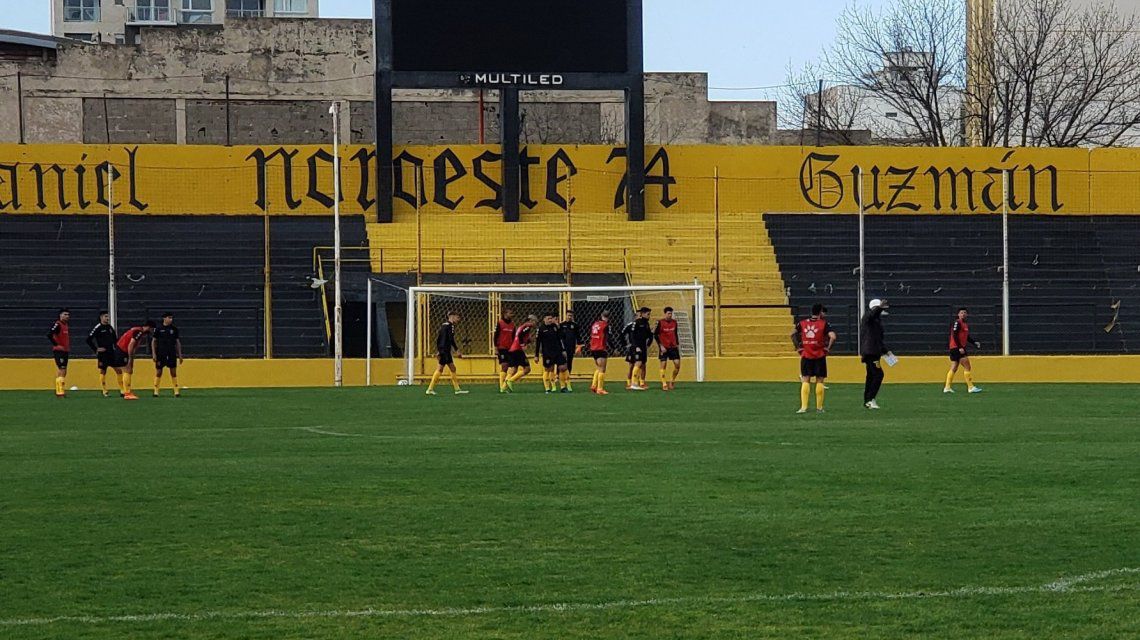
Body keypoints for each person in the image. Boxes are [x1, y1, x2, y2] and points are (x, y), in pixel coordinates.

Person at [792, 303, 836, 414]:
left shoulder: (802, 323)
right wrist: (827, 348)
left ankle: (803, 407)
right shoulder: (824, 324)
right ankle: (819, 408)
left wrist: (798, 347)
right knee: (820, 380)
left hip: (806, 355)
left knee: (805, 380)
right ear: (820, 312)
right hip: (820, 355)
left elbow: (792, 334)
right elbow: (833, 336)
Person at [426, 311, 467, 396]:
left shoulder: (443, 325)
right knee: (441, 369)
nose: (458, 320)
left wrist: (439, 350)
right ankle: (430, 389)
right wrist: (457, 350)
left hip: (443, 350)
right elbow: (451, 339)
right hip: (445, 351)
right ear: (452, 316)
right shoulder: (450, 326)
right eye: (457, 317)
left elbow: (439, 339)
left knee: (451, 368)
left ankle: (457, 389)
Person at [86, 310, 126, 398]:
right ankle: (104, 391)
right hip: (103, 354)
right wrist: (96, 349)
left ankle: (122, 390)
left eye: (108, 316)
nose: (107, 318)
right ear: (101, 318)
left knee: (118, 370)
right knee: (103, 371)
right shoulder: (98, 328)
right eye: (105, 316)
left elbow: (115, 340)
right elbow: (88, 339)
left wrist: (116, 349)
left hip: (111, 352)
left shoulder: (110, 327)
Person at [860, 299, 890, 409]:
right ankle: (870, 398)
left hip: (873, 351)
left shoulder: (875, 321)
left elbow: (877, 339)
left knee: (871, 376)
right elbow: (872, 315)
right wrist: (879, 308)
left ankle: (867, 400)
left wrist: (885, 351)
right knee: (878, 374)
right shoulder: (869, 318)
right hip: (871, 352)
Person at [945, 307, 983, 394]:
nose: (963, 314)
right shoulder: (957, 323)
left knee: (954, 367)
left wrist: (974, 342)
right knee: (967, 366)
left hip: (956, 347)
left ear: (967, 314)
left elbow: (966, 337)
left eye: (965, 313)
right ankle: (970, 387)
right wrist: (960, 347)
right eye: (961, 313)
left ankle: (947, 387)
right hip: (956, 347)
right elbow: (954, 335)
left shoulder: (965, 324)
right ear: (958, 314)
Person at [116, 320, 156, 401]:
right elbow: (131, 345)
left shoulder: (136, 329)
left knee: (127, 371)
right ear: (148, 327)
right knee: (127, 370)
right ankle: (127, 393)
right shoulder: (139, 332)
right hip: (122, 351)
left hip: (120, 350)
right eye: (151, 329)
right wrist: (130, 358)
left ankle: (126, 391)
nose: (151, 331)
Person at [151, 312, 183, 398]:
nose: (171, 319)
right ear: (164, 318)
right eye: (169, 318)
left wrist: (180, 355)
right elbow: (154, 341)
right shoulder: (158, 329)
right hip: (161, 353)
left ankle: (176, 391)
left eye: (172, 318)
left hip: (171, 353)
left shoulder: (174, 329)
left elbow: (177, 342)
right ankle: (156, 391)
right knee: (159, 371)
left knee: (173, 372)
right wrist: (154, 354)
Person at [536, 314, 570, 394]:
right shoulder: (541, 329)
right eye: (548, 318)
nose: (550, 320)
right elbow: (538, 343)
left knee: (563, 367)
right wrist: (536, 355)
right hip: (547, 353)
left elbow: (560, 338)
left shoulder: (555, 326)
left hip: (558, 351)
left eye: (551, 318)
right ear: (544, 319)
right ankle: (547, 388)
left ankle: (563, 387)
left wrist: (563, 350)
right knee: (548, 369)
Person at [621, 307, 653, 391]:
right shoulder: (636, 323)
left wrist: (649, 343)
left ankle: (639, 383)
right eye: (648, 314)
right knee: (636, 364)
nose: (649, 316)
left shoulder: (646, 324)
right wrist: (634, 346)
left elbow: (650, 335)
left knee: (642, 364)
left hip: (642, 347)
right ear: (642, 314)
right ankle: (633, 383)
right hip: (636, 347)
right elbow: (632, 335)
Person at [504, 315, 538, 391]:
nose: (536, 323)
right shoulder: (527, 326)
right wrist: (522, 344)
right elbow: (520, 335)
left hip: (513, 349)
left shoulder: (522, 326)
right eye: (535, 321)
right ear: (531, 321)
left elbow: (519, 336)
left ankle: (503, 387)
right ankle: (510, 381)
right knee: (527, 369)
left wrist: (528, 341)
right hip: (517, 350)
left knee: (514, 369)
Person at [654, 306, 681, 391]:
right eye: (668, 313)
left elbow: (675, 333)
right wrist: (661, 346)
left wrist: (677, 343)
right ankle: (664, 383)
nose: (670, 315)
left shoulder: (674, 322)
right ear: (665, 314)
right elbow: (655, 335)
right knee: (663, 364)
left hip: (673, 347)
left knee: (677, 364)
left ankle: (672, 381)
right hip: (664, 347)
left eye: (671, 313)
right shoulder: (660, 322)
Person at [47, 308, 71, 398]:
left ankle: (60, 390)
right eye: (65, 314)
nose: (67, 316)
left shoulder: (65, 325)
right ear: (60, 315)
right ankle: (60, 392)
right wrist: (56, 344)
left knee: (64, 371)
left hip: (65, 351)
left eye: (68, 315)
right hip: (59, 351)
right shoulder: (58, 324)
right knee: (62, 369)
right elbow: (49, 334)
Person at [493, 309, 516, 393]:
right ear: (505, 314)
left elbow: (514, 337)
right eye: (510, 313)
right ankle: (502, 386)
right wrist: (496, 348)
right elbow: (495, 336)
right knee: (504, 366)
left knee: (513, 367)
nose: (512, 314)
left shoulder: (513, 324)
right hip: (501, 348)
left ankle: (504, 385)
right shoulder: (500, 323)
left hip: (510, 348)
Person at [588, 310, 611, 395]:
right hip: (601, 347)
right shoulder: (606, 325)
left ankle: (594, 385)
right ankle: (600, 388)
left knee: (598, 367)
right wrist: (613, 347)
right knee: (602, 369)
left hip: (593, 348)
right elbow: (608, 338)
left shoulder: (595, 324)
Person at [559, 310, 582, 391]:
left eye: (571, 316)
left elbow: (578, 337)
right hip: (563, 349)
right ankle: (561, 381)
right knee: (562, 365)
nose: (569, 317)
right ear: (565, 315)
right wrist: (562, 349)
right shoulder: (561, 325)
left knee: (569, 364)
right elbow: (560, 338)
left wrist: (579, 347)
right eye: (568, 315)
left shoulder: (575, 325)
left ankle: (567, 381)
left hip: (571, 348)